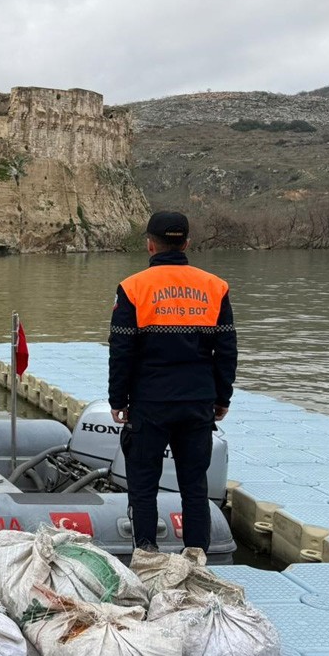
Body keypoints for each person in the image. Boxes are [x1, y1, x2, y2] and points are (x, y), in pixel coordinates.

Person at [108, 211, 237, 552]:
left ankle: (147, 556)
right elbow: (226, 350)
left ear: (150, 245)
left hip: (149, 402)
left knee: (143, 486)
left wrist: (117, 399)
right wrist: (222, 397)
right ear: (187, 244)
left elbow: (121, 350)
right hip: (197, 401)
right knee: (195, 487)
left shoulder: (132, 288)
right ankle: (196, 558)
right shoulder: (215, 287)